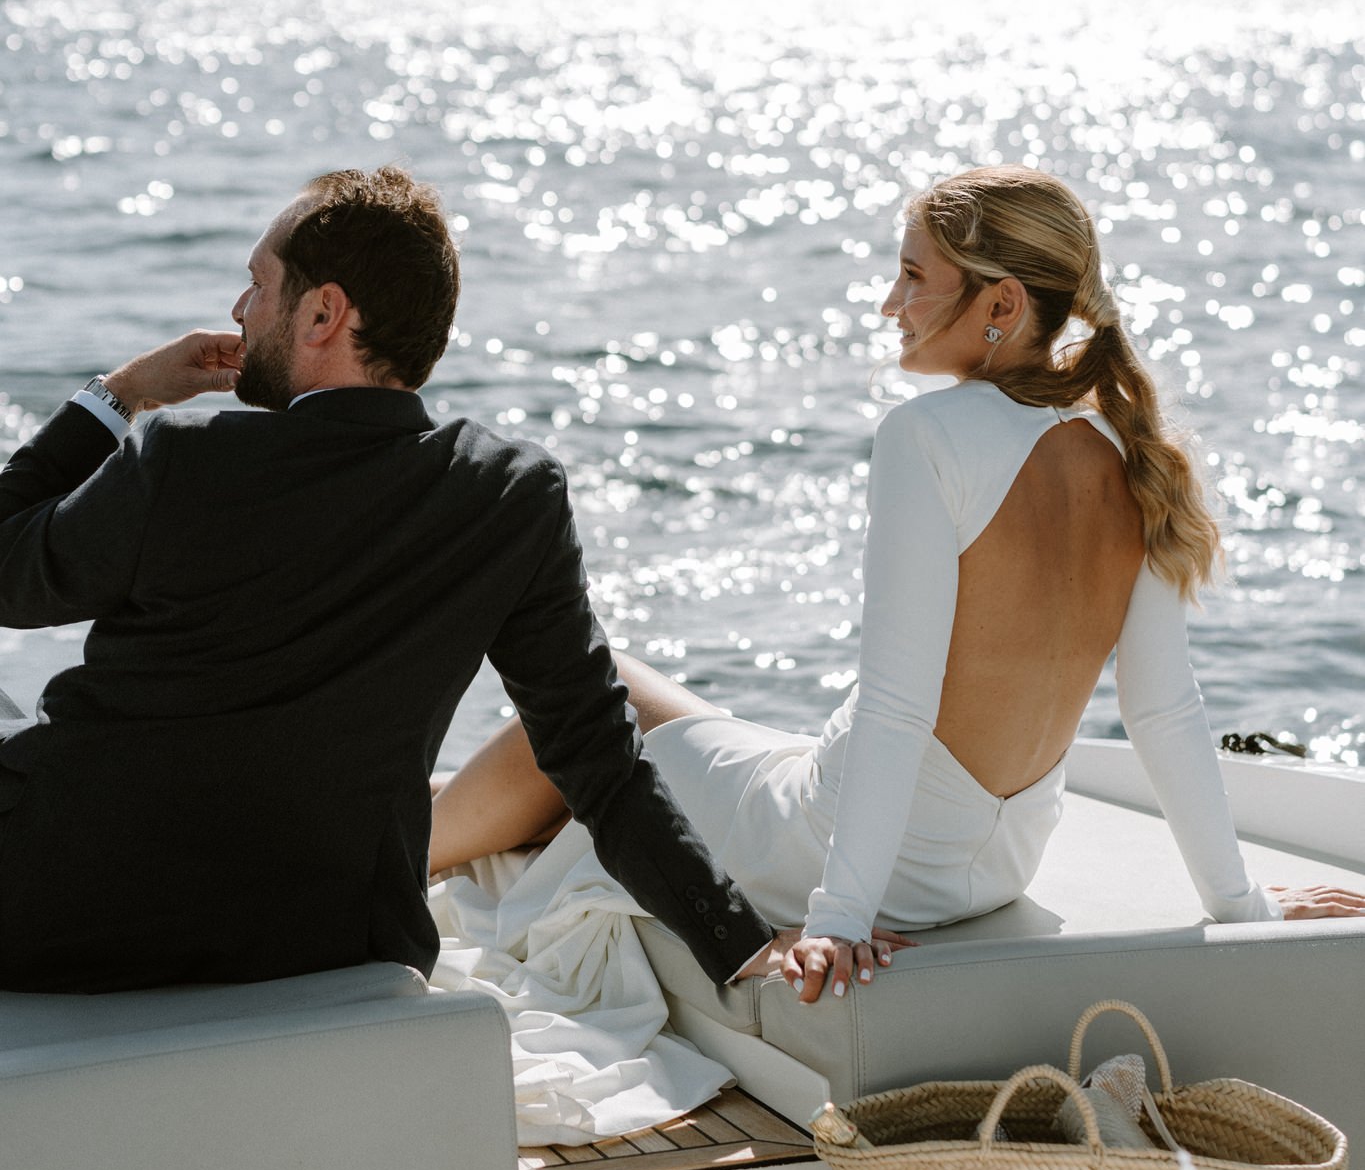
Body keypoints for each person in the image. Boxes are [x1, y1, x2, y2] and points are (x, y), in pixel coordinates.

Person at [430, 165, 1365, 1000]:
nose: (890, 304)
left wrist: (837, 918)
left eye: (914, 276)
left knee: (590, 710)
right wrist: (1238, 902)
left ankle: (401, 858)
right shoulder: (1131, 451)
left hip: (855, 854)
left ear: (1000, 303)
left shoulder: (927, 435)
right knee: (660, 709)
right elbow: (1161, 709)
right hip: (998, 862)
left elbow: (895, 705)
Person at [0, 166, 775, 993]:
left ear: (323, 313)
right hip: (326, 934)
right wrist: (738, 942)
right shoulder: (507, 495)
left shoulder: (181, 461)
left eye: (258, 284)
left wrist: (120, 394)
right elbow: (594, 753)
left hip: (49, 918)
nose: (239, 309)